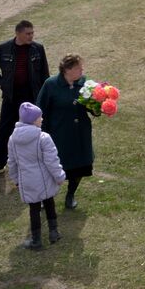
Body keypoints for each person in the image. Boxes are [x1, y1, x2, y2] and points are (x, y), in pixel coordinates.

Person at [0, 20, 50, 180]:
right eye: (28, 33)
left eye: (32, 33)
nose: (31, 36)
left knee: (37, 130)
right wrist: (1, 83)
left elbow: (45, 74)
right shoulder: (3, 48)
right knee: (4, 130)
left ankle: (39, 161)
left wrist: (45, 95)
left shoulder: (37, 49)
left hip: (32, 96)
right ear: (18, 33)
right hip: (11, 97)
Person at [36, 54, 94, 210]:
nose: (82, 70)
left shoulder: (84, 83)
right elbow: (40, 110)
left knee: (80, 164)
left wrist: (98, 106)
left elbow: (92, 107)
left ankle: (70, 194)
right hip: (58, 134)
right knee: (52, 167)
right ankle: (45, 196)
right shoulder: (51, 85)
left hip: (80, 134)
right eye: (78, 68)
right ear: (67, 70)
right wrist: (40, 133)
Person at [7, 102, 65, 249]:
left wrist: (15, 179)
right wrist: (59, 176)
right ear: (33, 120)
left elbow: (12, 162)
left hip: (27, 181)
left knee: (34, 209)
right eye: (40, 117)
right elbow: (52, 160)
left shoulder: (13, 139)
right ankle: (54, 232)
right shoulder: (43, 137)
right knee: (49, 203)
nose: (42, 119)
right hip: (44, 179)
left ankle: (36, 240)